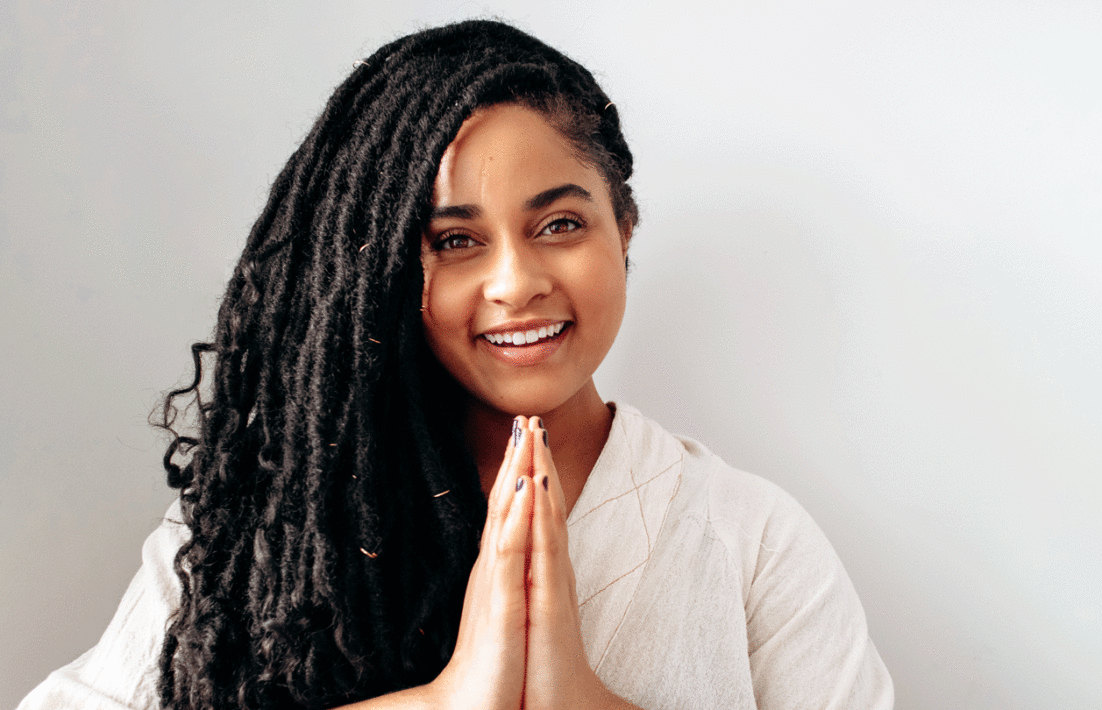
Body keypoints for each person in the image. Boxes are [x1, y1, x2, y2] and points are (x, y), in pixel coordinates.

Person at [19, 19, 893, 710]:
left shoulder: (753, 542)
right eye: (455, 241)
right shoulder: (257, 523)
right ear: (381, 275)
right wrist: (442, 705)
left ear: (623, 231)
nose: (516, 282)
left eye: (559, 224)